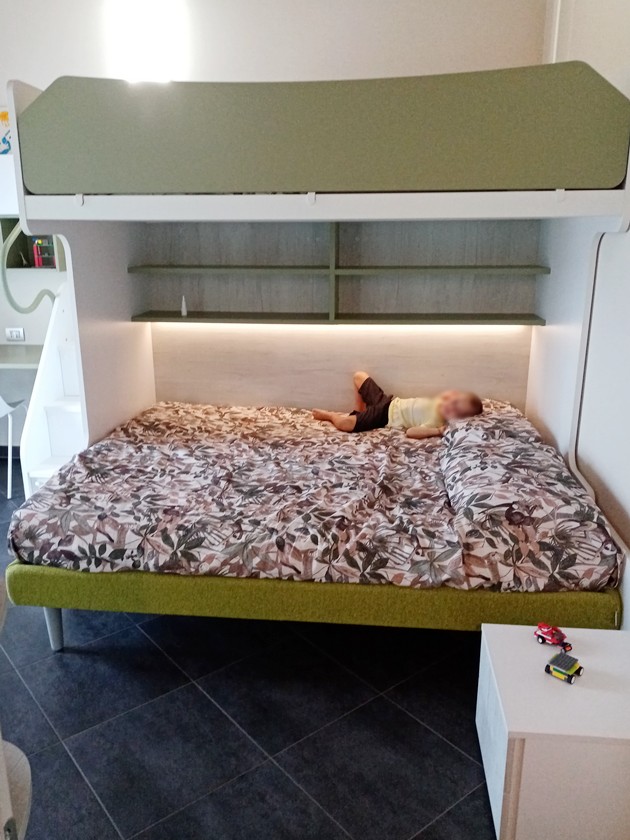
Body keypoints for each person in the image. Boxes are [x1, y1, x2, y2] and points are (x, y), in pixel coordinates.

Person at [312, 371, 483, 438]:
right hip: (388, 401)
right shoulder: (439, 401)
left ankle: (329, 416)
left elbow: (411, 432)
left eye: (456, 411)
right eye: (455, 402)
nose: (451, 407)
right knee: (359, 376)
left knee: (344, 424)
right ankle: (360, 412)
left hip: (383, 417)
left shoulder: (436, 422)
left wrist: (437, 432)